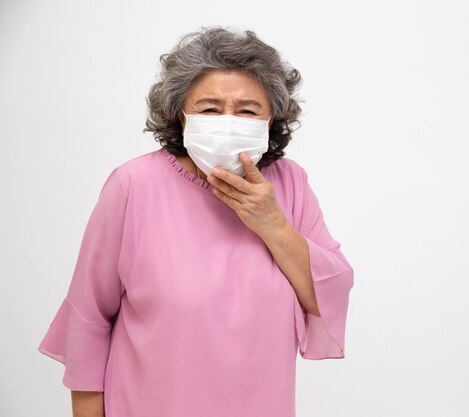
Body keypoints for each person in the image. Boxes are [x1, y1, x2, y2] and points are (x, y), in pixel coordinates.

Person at [37, 26, 355, 417]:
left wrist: (272, 222)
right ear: (181, 116)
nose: (227, 121)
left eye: (247, 110)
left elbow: (328, 291)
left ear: (271, 119)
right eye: (209, 108)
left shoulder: (290, 183)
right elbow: (88, 319)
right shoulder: (134, 185)